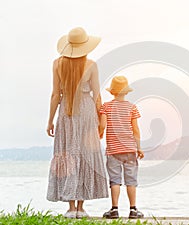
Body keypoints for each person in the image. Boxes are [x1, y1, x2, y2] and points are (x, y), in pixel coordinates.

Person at [46, 27, 108, 219]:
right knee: (85, 156)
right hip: (87, 112)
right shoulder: (91, 65)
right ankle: (81, 207)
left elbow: (56, 94)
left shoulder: (57, 64)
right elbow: (97, 95)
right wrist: (101, 121)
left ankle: (70, 208)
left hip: (66, 112)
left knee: (67, 155)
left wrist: (50, 121)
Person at [99, 76, 144, 219]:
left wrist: (99, 133)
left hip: (113, 150)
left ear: (112, 92)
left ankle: (114, 209)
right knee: (131, 180)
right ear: (126, 92)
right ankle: (133, 210)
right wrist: (139, 147)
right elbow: (136, 129)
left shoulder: (106, 106)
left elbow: (103, 125)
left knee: (115, 180)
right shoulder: (132, 107)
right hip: (130, 149)